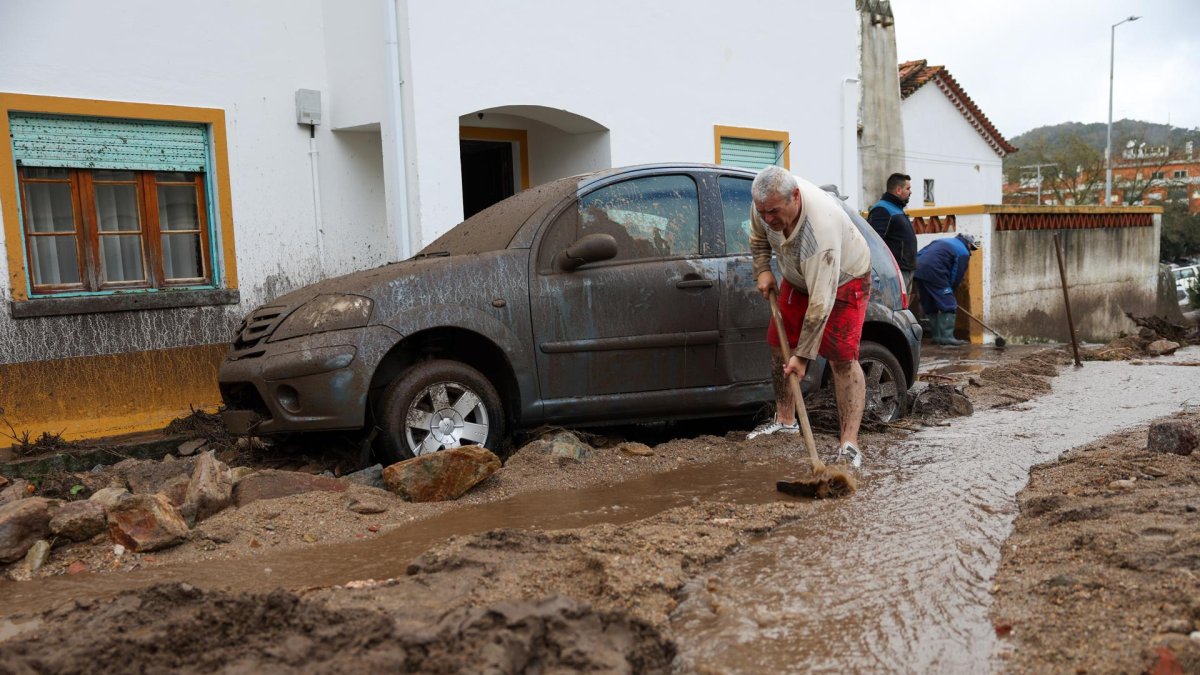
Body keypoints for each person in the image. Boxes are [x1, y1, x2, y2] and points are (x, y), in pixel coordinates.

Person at [746, 165, 873, 469]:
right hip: (799, 276)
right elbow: (758, 238)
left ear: (795, 197)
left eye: (774, 211)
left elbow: (821, 301)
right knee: (778, 342)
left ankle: (849, 445)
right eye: (763, 212)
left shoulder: (820, 230)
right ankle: (786, 420)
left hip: (844, 280)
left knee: (842, 359)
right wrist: (762, 269)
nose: (768, 219)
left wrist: (803, 356)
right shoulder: (763, 204)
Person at [912, 232, 979, 346]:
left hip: (918, 269)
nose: (970, 250)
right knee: (949, 304)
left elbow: (920, 253)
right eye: (971, 247)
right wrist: (949, 291)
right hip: (935, 271)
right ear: (968, 243)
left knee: (929, 303)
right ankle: (947, 338)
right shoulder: (963, 251)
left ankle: (937, 337)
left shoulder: (941, 241)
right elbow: (957, 274)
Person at [868, 172, 917, 295]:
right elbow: (873, 242)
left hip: (905, 270)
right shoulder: (882, 210)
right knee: (894, 308)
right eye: (908, 188)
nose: (910, 192)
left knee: (902, 309)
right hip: (894, 272)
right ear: (898, 190)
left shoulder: (897, 209)